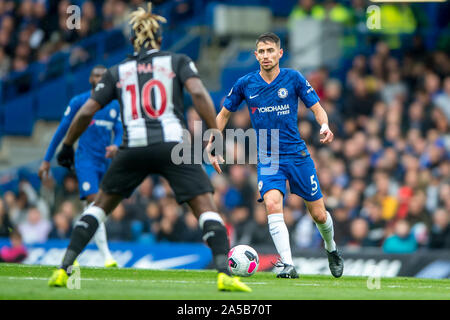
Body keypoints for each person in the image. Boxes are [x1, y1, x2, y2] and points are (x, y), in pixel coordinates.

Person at [47, 3, 250, 292]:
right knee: (205, 205)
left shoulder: (117, 71)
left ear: (132, 42)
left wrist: (67, 145)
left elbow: (85, 112)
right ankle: (224, 274)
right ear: (161, 40)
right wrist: (214, 135)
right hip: (173, 145)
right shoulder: (177, 61)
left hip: (133, 148)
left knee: (99, 206)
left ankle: (63, 269)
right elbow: (198, 93)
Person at [209, 32, 344, 279]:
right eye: (261, 51)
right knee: (272, 204)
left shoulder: (293, 78)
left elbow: (317, 108)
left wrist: (324, 125)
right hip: (268, 157)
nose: (266, 55)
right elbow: (224, 114)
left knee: (319, 215)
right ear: (255, 55)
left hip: (297, 154)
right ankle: (288, 264)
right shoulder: (245, 83)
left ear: (279, 53)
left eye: (270, 50)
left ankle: (331, 248)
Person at [38, 65, 122, 268]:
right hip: (85, 160)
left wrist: (116, 145)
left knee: (92, 208)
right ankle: (107, 256)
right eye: (96, 75)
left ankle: (74, 253)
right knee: (96, 203)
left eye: (104, 76)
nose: (100, 78)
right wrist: (47, 159)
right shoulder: (79, 102)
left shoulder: (115, 105)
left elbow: (120, 130)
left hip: (105, 162)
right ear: (90, 79)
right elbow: (61, 131)